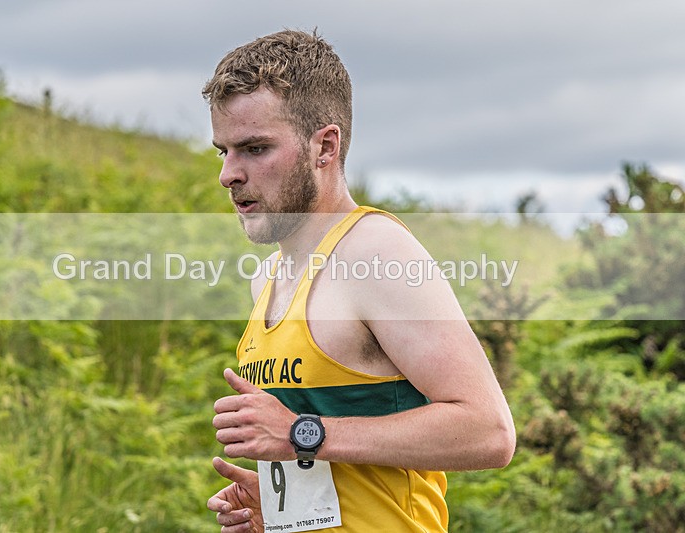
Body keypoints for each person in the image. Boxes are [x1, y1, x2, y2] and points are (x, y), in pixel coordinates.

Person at [203, 30, 515, 533]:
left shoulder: (374, 254)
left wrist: (300, 433)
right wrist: (286, 514)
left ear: (325, 145)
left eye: (255, 148)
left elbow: (488, 430)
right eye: (224, 152)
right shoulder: (265, 278)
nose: (229, 174)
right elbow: (346, 474)